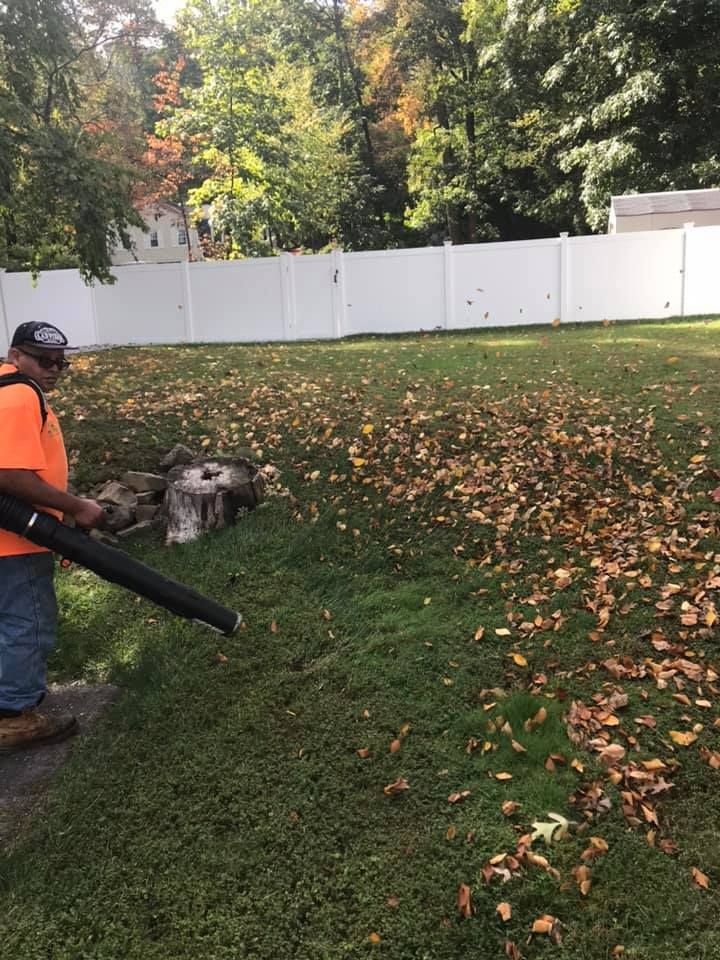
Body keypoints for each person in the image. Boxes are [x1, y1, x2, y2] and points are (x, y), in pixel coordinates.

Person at [0, 321, 105, 754]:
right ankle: (14, 716)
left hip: (15, 536)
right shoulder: (20, 395)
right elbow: (9, 474)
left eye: (62, 362)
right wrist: (77, 506)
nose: (54, 370)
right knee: (28, 623)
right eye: (44, 360)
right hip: (16, 543)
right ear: (16, 354)